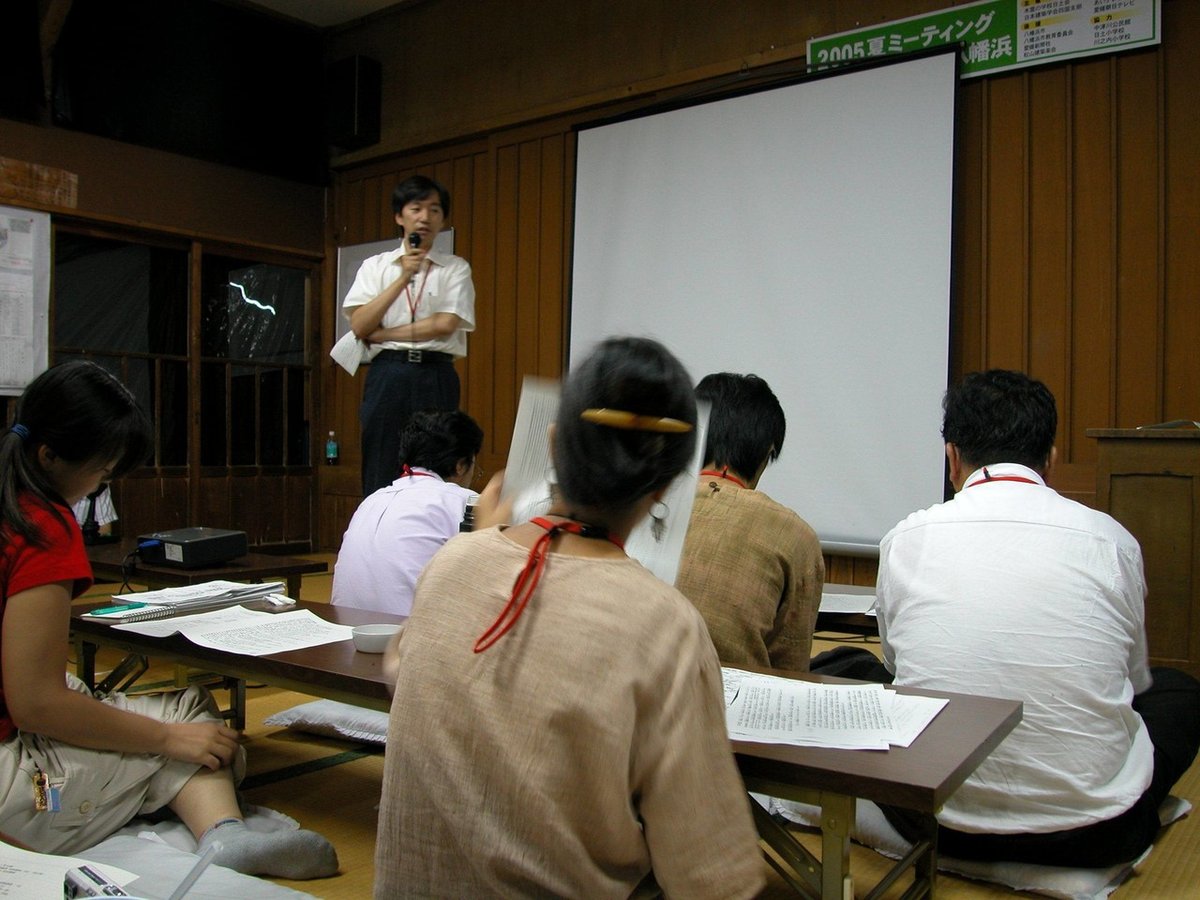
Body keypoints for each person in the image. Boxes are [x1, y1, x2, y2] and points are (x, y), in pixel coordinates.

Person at [373, 337, 765, 898]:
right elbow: (711, 875)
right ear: (670, 482)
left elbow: (403, 669)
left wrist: (484, 540)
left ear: (554, 445)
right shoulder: (664, 624)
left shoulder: (450, 565)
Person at [0, 361, 338, 878]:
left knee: (161, 709)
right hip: (15, 787)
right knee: (198, 732)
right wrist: (165, 740)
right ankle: (226, 836)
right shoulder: (40, 525)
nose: (97, 487)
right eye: (101, 472)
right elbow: (35, 703)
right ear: (49, 456)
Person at [871, 369, 1200, 867]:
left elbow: (896, 665)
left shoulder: (905, 539)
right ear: (1051, 457)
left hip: (933, 819)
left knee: (861, 674)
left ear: (952, 457)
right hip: (1094, 834)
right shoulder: (1112, 541)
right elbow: (1131, 682)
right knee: (1179, 692)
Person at [676, 373, 824, 671]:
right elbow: (789, 671)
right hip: (733, 711)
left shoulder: (640, 509)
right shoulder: (796, 536)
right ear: (768, 451)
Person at [343, 174, 476, 497]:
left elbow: (444, 324)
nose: (425, 217)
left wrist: (386, 332)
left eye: (434, 210)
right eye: (416, 208)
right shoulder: (375, 267)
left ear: (443, 218)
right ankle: (374, 538)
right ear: (399, 217)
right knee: (380, 458)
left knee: (438, 460)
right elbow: (360, 326)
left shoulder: (455, 268)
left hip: (436, 371)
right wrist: (403, 277)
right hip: (388, 372)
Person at [331, 409, 483, 615]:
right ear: (461, 466)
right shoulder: (463, 501)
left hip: (343, 631)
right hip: (409, 639)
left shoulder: (372, 500)